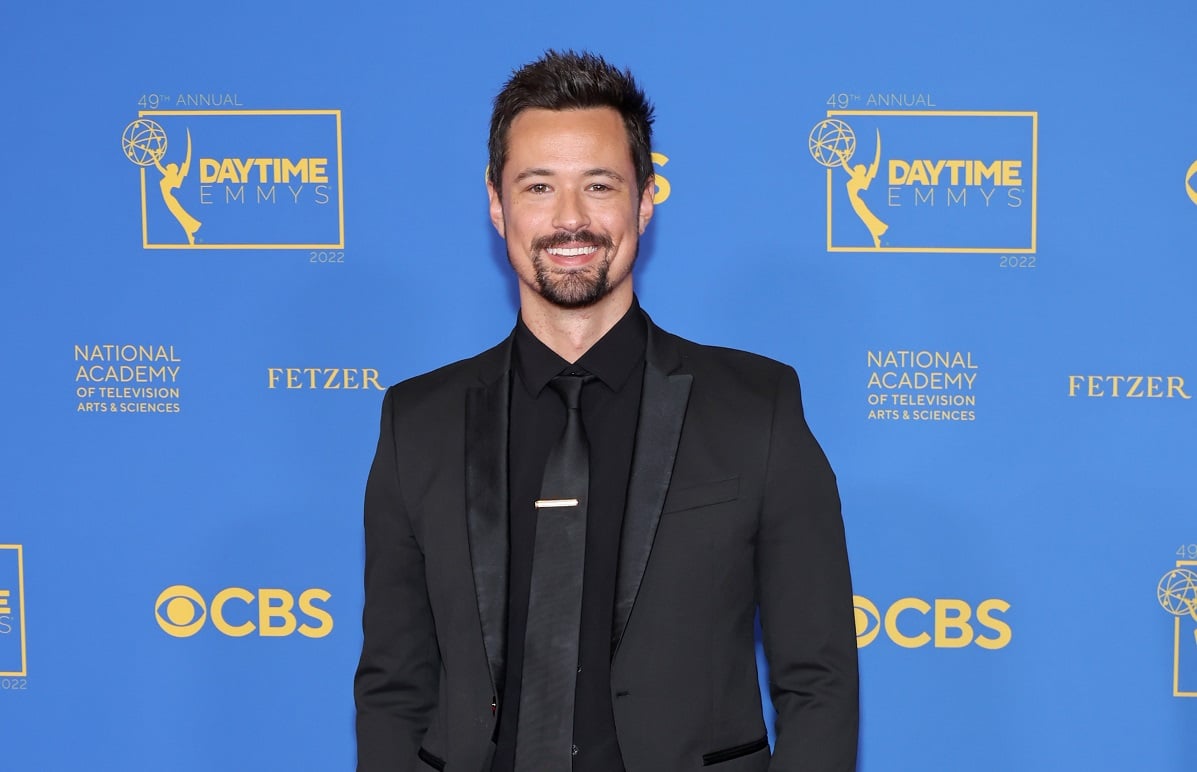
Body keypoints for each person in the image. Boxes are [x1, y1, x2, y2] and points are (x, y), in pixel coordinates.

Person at [355, 50, 858, 772]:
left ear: (645, 200)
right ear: (497, 205)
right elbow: (393, 688)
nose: (569, 220)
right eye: (537, 187)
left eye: (599, 185)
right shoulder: (417, 422)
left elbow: (818, 680)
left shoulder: (757, 407)